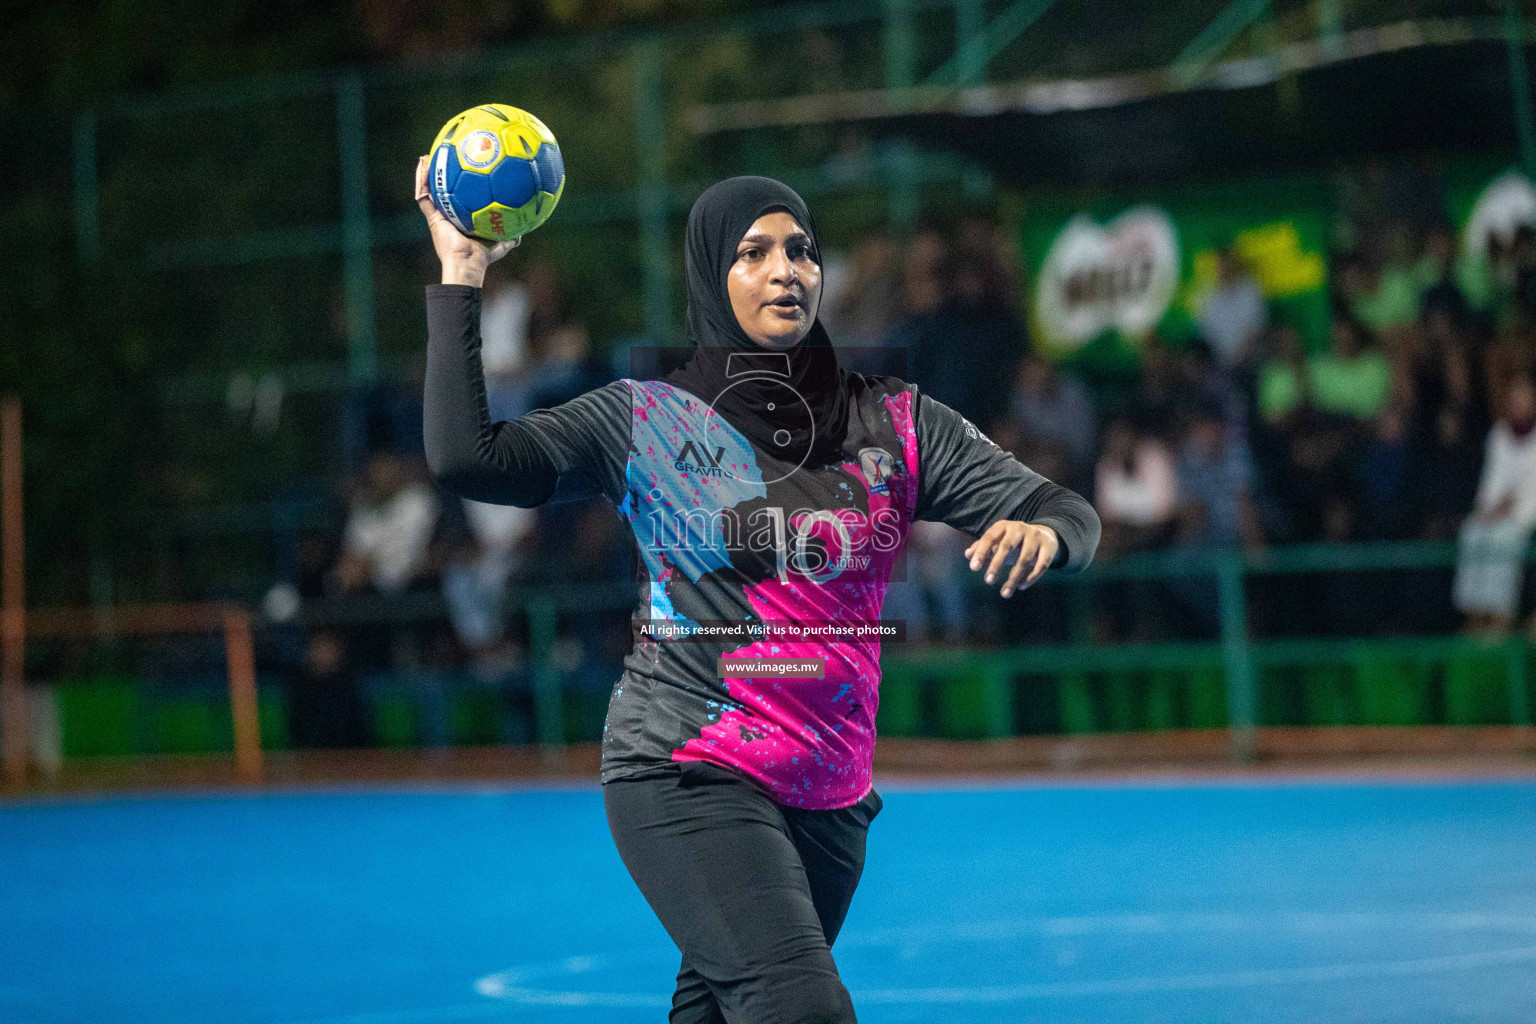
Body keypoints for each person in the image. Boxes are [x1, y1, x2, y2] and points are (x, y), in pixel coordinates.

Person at [414, 162, 1100, 1023]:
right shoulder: (644, 419)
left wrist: (1048, 534)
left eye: (802, 251)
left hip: (831, 794)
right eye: (754, 252)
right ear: (711, 274)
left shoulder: (894, 421)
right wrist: (462, 274)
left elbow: (1059, 505)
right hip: (689, 768)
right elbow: (467, 457)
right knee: (799, 1009)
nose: (787, 270)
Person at [1453, 372, 1536, 634]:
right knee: (1472, 532)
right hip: (1496, 511)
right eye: (1514, 399)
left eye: (1525, 398)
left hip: (1523, 517)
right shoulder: (1499, 434)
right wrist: (1487, 509)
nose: (1518, 404)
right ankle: (1475, 614)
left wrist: (1510, 510)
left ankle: (1500, 616)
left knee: (1503, 539)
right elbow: (1491, 480)